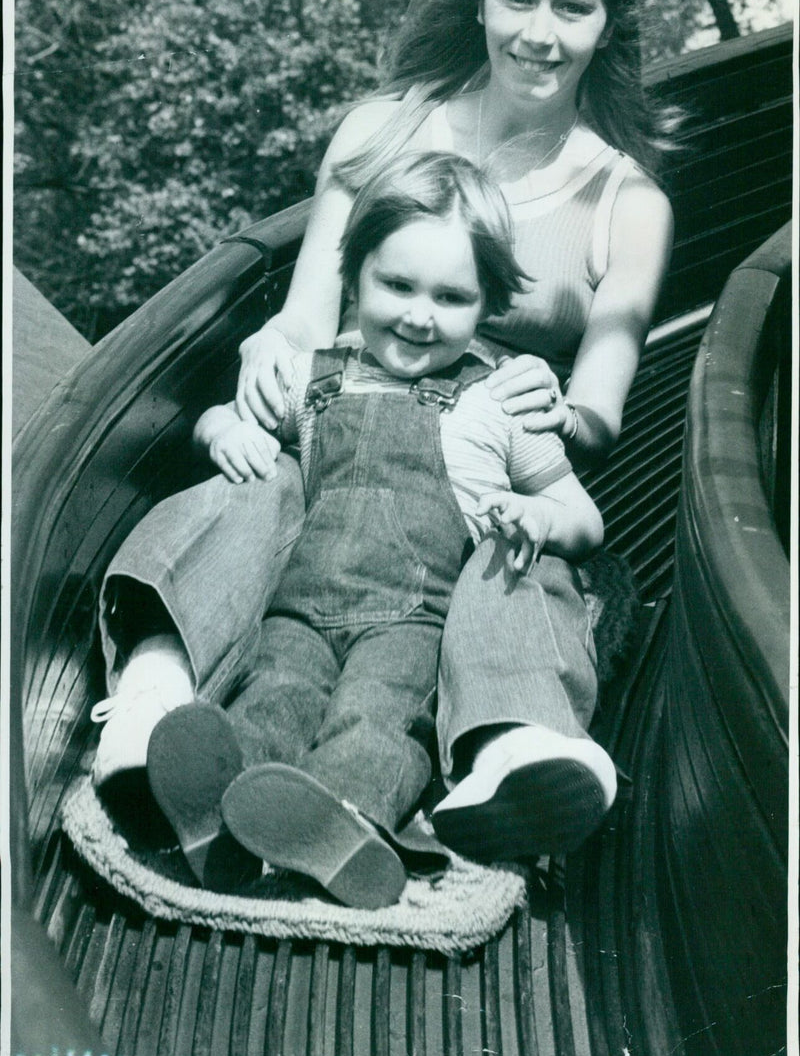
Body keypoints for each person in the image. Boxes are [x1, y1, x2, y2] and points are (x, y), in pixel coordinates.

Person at [91, 0, 675, 865]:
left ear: (608, 20)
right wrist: (271, 358)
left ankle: (513, 753)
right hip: (345, 456)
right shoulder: (382, 132)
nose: (538, 33)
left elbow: (598, 407)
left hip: (495, 484)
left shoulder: (625, 197)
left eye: (571, 7)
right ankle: (152, 703)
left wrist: (551, 410)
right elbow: (306, 318)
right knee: (254, 484)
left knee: (509, 562)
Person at [142, 150, 606, 908]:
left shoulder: (499, 399)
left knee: (379, 716)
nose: (421, 313)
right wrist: (221, 431)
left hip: (413, 625)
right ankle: (218, 818)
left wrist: (538, 515)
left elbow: (584, 518)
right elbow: (220, 419)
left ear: (488, 301)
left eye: (451, 296)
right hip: (297, 609)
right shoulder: (314, 374)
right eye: (397, 285)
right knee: (274, 695)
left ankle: (344, 819)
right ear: (355, 276)